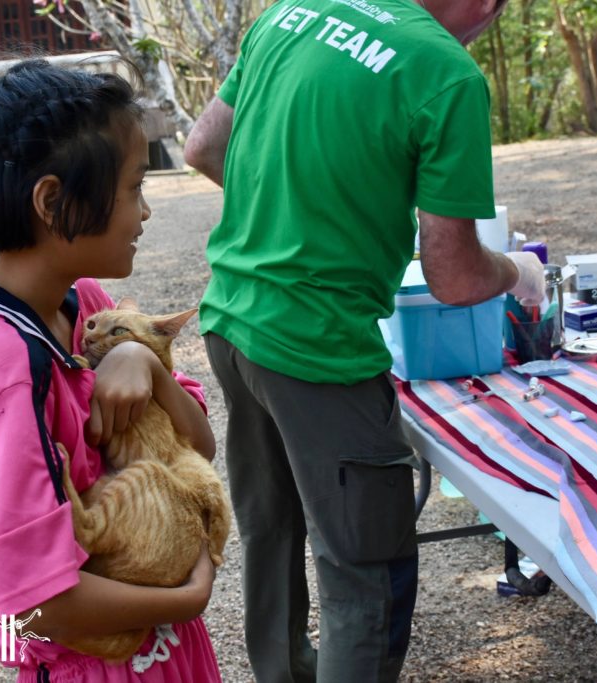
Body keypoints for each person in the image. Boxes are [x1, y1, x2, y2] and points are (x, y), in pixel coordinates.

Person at [183, 0, 544, 681]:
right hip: (319, 349)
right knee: (365, 578)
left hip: (230, 321)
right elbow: (455, 275)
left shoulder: (293, 11)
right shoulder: (445, 72)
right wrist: (518, 271)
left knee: (273, 532)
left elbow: (203, 147)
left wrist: (294, 212)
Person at [0, 58, 222, 682]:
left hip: (167, 653)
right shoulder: (4, 364)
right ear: (52, 201)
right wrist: (186, 600)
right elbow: (35, 605)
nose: (145, 212)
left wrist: (144, 361)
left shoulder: (88, 306)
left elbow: (197, 449)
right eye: (134, 188)